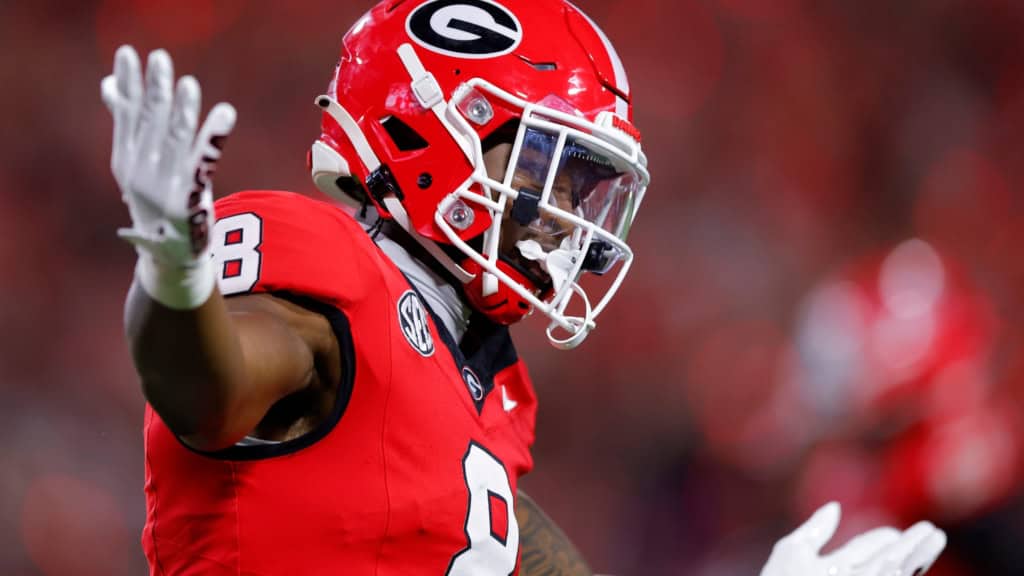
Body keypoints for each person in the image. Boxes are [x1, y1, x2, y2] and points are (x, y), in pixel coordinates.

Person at [100, 0, 948, 574]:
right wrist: (173, 274)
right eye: (552, 167)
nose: (571, 216)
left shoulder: (487, 384)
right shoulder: (329, 268)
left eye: (587, 186)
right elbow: (204, 391)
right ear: (432, 130)